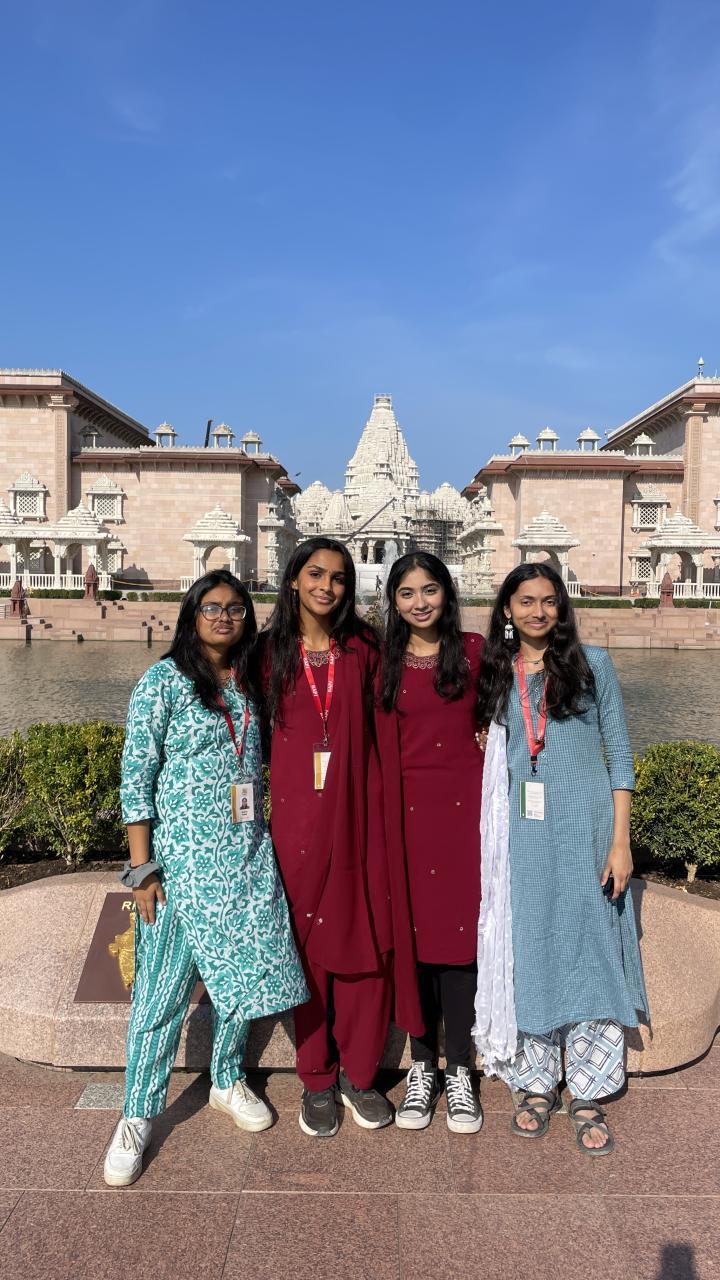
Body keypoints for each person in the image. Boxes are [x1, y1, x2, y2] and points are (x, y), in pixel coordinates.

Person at [103, 570, 307, 1187]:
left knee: (239, 985)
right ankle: (137, 1114)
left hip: (244, 859)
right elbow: (136, 778)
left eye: (236, 609)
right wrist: (142, 870)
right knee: (159, 998)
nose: (224, 617)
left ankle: (226, 1078)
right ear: (192, 614)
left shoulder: (249, 684)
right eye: (212, 607)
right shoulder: (163, 682)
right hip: (180, 869)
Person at [474, 563, 648, 1156]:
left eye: (549, 601)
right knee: (531, 945)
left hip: (585, 829)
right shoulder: (495, 672)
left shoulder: (591, 665)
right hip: (521, 836)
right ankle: (535, 1082)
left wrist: (621, 842)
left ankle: (589, 1089)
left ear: (561, 608)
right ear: (507, 609)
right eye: (526, 601)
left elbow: (620, 754)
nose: (538, 612)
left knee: (587, 944)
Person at [259, 537, 422, 1138]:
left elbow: (398, 719)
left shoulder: (364, 648)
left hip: (360, 816)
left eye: (337, 578)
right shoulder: (268, 653)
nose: (326, 587)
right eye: (315, 574)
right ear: (294, 580)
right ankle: (317, 1077)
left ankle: (360, 1074)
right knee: (305, 949)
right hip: (296, 822)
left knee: (364, 946)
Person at [376, 552, 484, 1133]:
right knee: (413, 937)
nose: (420, 603)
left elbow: (510, 715)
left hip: (465, 815)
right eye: (407, 593)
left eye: (430, 590)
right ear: (394, 602)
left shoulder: (474, 652)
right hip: (405, 817)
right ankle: (423, 1064)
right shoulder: (383, 662)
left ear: (447, 592)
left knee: (460, 940)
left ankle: (460, 1068)